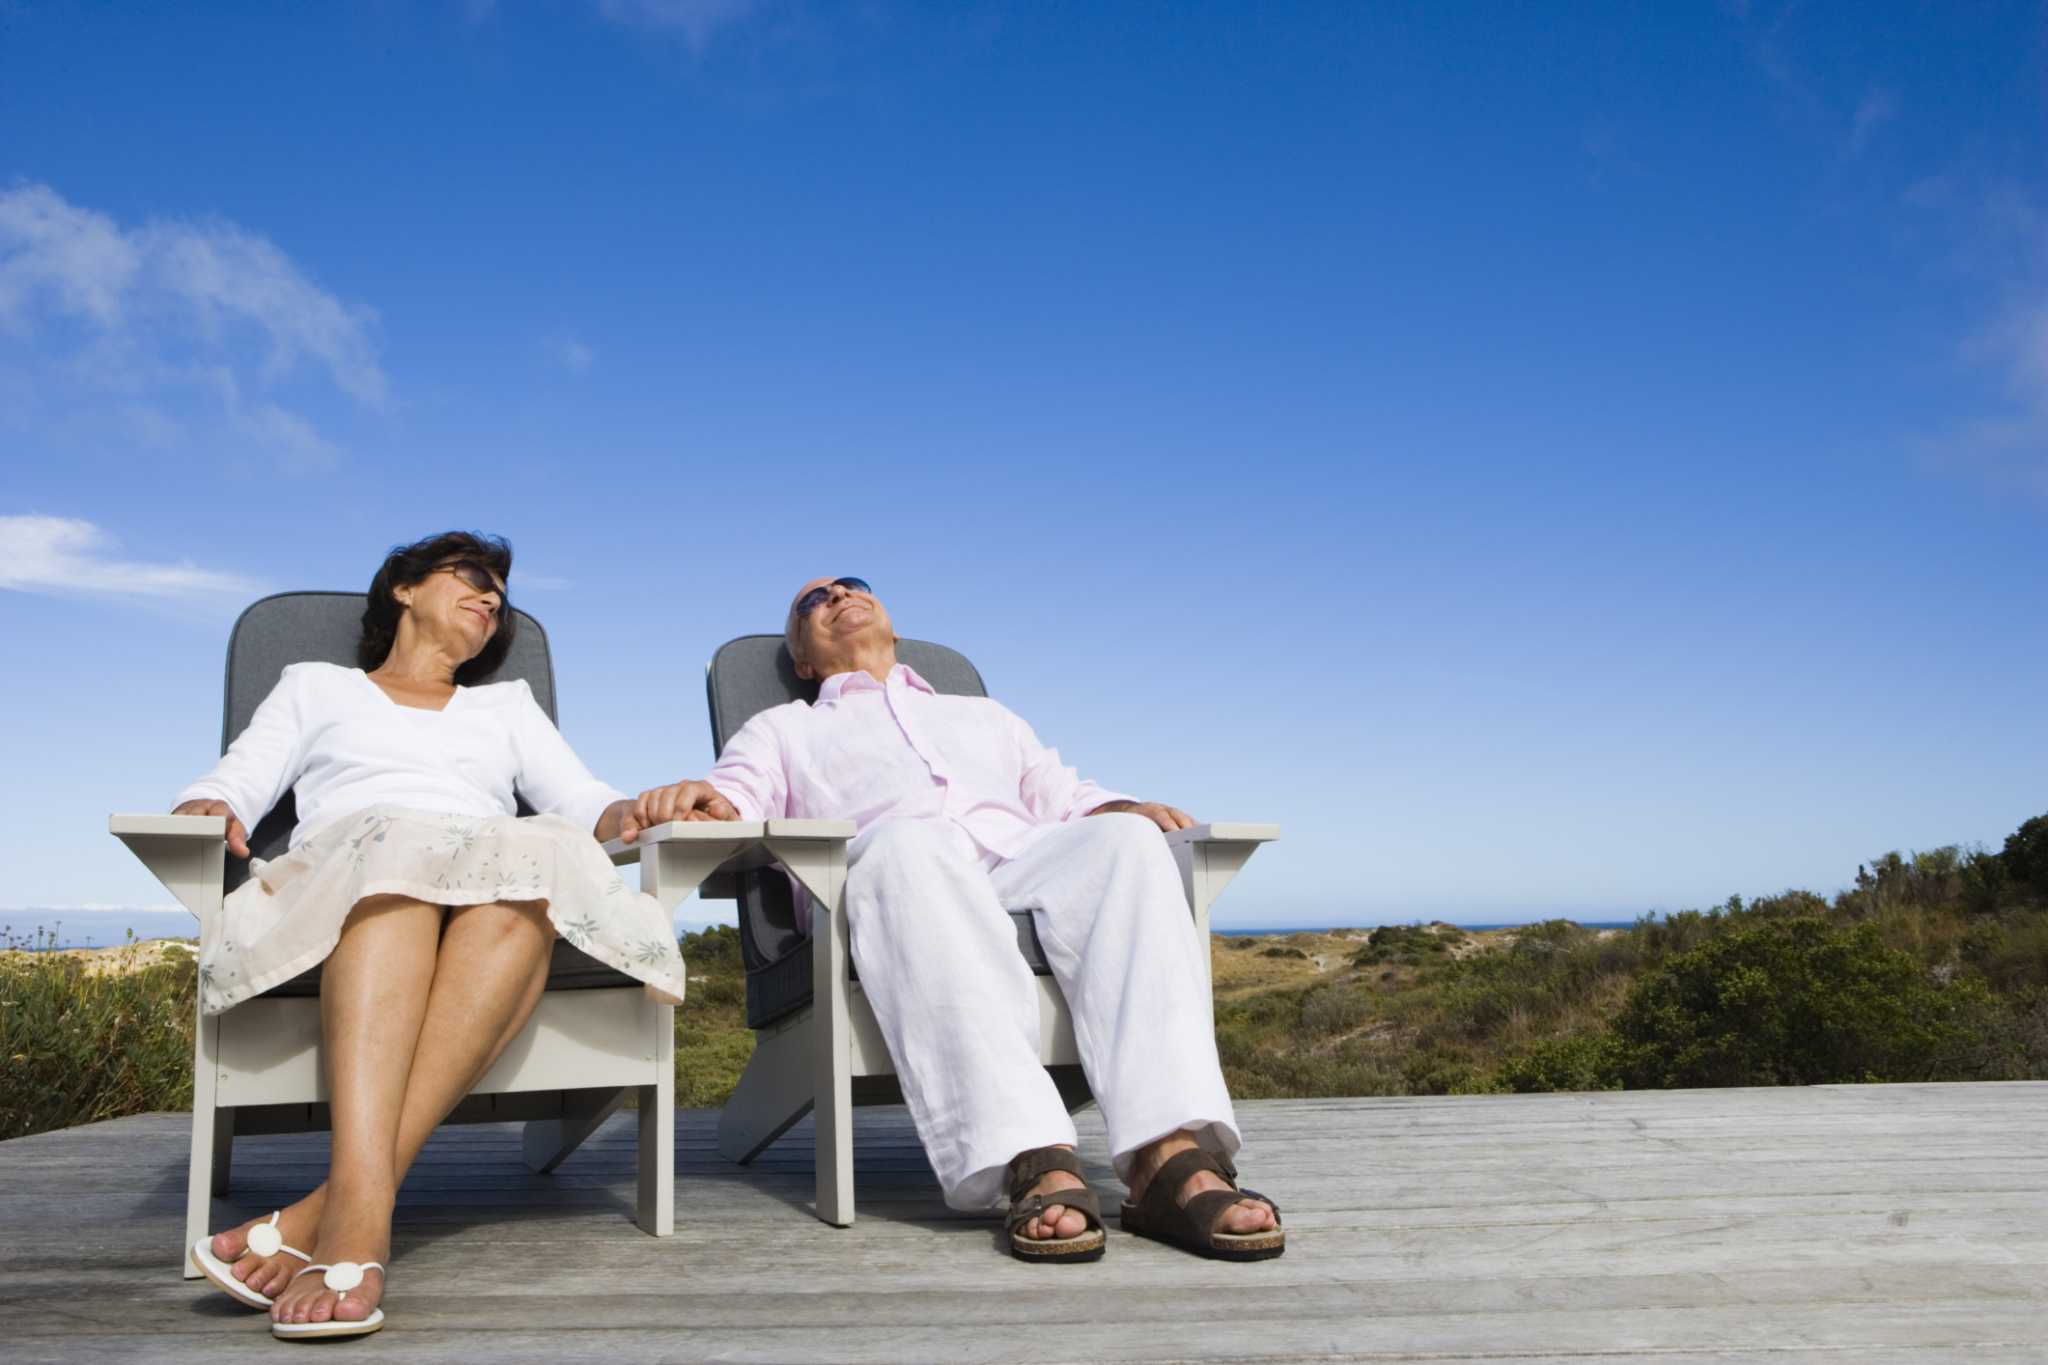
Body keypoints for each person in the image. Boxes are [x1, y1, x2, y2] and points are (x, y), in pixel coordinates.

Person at [644, 576, 1284, 1263]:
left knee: (1128, 842)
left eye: (851, 586)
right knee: (910, 841)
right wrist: (707, 802)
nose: (837, 595)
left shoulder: (985, 717)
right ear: (802, 659)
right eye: (814, 600)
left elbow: (1064, 794)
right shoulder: (785, 728)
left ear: (890, 620)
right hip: (893, 876)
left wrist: (1118, 807)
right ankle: (1033, 1155)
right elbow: (739, 797)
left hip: (1018, 867)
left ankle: (1168, 1154)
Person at [176, 531, 696, 1339]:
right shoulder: (315, 686)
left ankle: (344, 1208)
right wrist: (212, 800)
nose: (492, 599)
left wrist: (651, 809)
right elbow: (242, 773)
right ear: (404, 589)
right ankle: (358, 1211)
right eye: (475, 578)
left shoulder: (506, 706)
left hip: (491, 876)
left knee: (536, 861)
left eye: (501, 599)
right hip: (361, 865)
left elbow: (584, 800)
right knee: (397, 862)